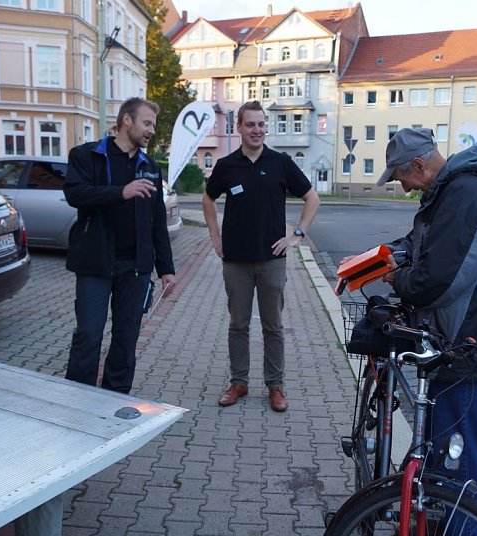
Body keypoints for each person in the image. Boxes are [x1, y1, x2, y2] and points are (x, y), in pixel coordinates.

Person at [376, 128, 477, 536]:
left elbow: (440, 280)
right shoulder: (447, 194)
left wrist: (397, 279)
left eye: (401, 177)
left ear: (419, 165)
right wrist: (387, 255)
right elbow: (423, 247)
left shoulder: (464, 196)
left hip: (466, 346)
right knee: (441, 447)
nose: (402, 187)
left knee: (461, 453)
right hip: (450, 342)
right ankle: (447, 523)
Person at [202, 100, 320, 412]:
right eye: (250, 124)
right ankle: (238, 382)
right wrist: (215, 236)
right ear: (238, 127)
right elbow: (208, 198)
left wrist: (296, 235)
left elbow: (312, 198)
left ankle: (275, 386)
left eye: (261, 124)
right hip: (235, 261)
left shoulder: (280, 162)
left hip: (272, 260)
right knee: (238, 324)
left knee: (273, 326)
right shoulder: (227, 166)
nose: (257, 130)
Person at [63, 97, 176, 394]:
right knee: (89, 334)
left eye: (153, 124)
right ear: (127, 120)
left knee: (126, 338)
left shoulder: (149, 166)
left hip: (135, 268)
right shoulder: (86, 155)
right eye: (147, 123)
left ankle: (114, 398)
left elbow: (157, 221)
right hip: (95, 262)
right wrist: (120, 193)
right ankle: (76, 397)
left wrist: (166, 269)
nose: (151, 130)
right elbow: (76, 194)